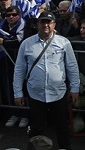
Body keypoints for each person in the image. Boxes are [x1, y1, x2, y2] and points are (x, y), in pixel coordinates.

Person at [12, 11, 80, 150]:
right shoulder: (26, 44)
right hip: (35, 93)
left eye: (49, 22)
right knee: (37, 128)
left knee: (62, 127)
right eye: (42, 22)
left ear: (54, 24)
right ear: (37, 24)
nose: (46, 25)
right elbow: (19, 70)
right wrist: (17, 92)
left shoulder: (64, 42)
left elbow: (72, 66)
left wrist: (74, 88)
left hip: (58, 93)